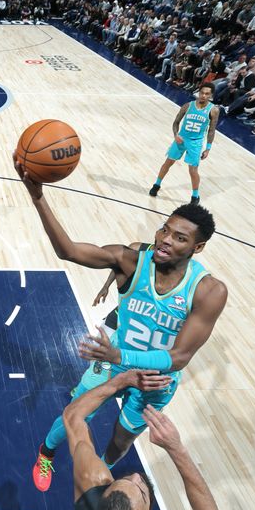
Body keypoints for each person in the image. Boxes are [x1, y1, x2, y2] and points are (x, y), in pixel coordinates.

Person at [14, 158, 228, 493]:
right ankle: (46, 451)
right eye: (164, 229)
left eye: (179, 237)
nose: (166, 239)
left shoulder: (209, 291)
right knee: (75, 413)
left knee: (121, 438)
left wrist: (120, 356)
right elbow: (67, 251)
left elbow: (180, 357)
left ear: (197, 247)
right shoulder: (131, 259)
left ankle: (101, 470)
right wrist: (38, 196)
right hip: (113, 363)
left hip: (156, 381)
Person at [65, 370, 222, 510]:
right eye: (141, 491)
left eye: (120, 480)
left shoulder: (91, 480)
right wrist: (176, 448)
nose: (136, 476)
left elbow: (72, 417)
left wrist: (118, 381)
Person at [149, 82, 219, 204]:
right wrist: (176, 135)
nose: (203, 95)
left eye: (206, 94)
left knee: (193, 170)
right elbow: (176, 122)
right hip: (181, 138)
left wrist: (208, 148)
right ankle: (156, 185)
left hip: (195, 143)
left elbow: (211, 130)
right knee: (167, 163)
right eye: (202, 93)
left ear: (210, 95)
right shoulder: (188, 106)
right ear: (198, 92)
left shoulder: (213, 110)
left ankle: (195, 196)